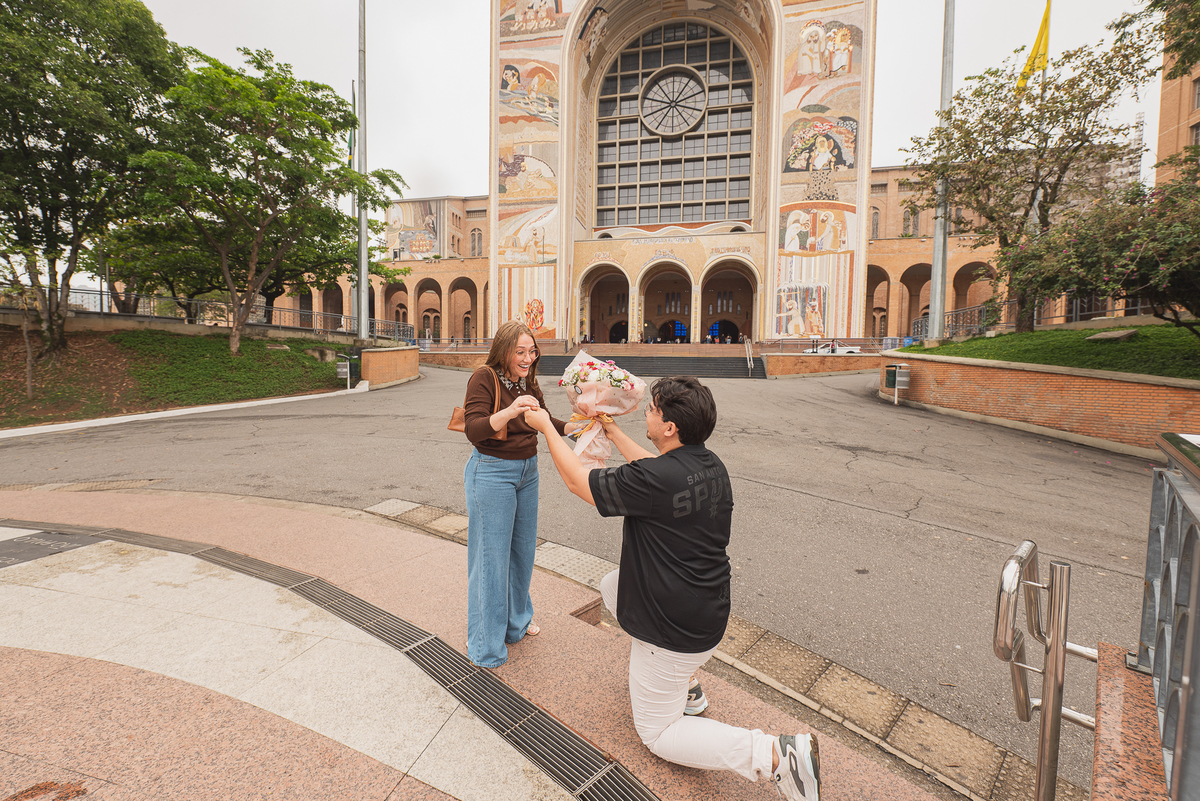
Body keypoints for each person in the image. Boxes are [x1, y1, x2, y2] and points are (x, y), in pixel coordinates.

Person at [523, 377, 821, 800]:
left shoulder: (657, 479)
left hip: (674, 630)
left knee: (658, 734)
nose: (646, 411)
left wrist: (546, 428)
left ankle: (776, 754)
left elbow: (578, 482)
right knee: (614, 586)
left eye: (653, 409)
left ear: (669, 428)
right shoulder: (710, 465)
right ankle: (688, 687)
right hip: (709, 611)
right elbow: (656, 469)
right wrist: (612, 431)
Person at [461, 320, 581, 667]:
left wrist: (574, 428)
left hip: (527, 471)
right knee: (491, 560)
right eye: (521, 352)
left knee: (522, 552)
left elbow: (543, 419)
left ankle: (515, 625)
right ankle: (486, 646)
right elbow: (474, 429)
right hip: (492, 472)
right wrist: (511, 410)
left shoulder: (526, 380)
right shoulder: (484, 377)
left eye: (532, 351)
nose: (528, 358)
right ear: (504, 351)